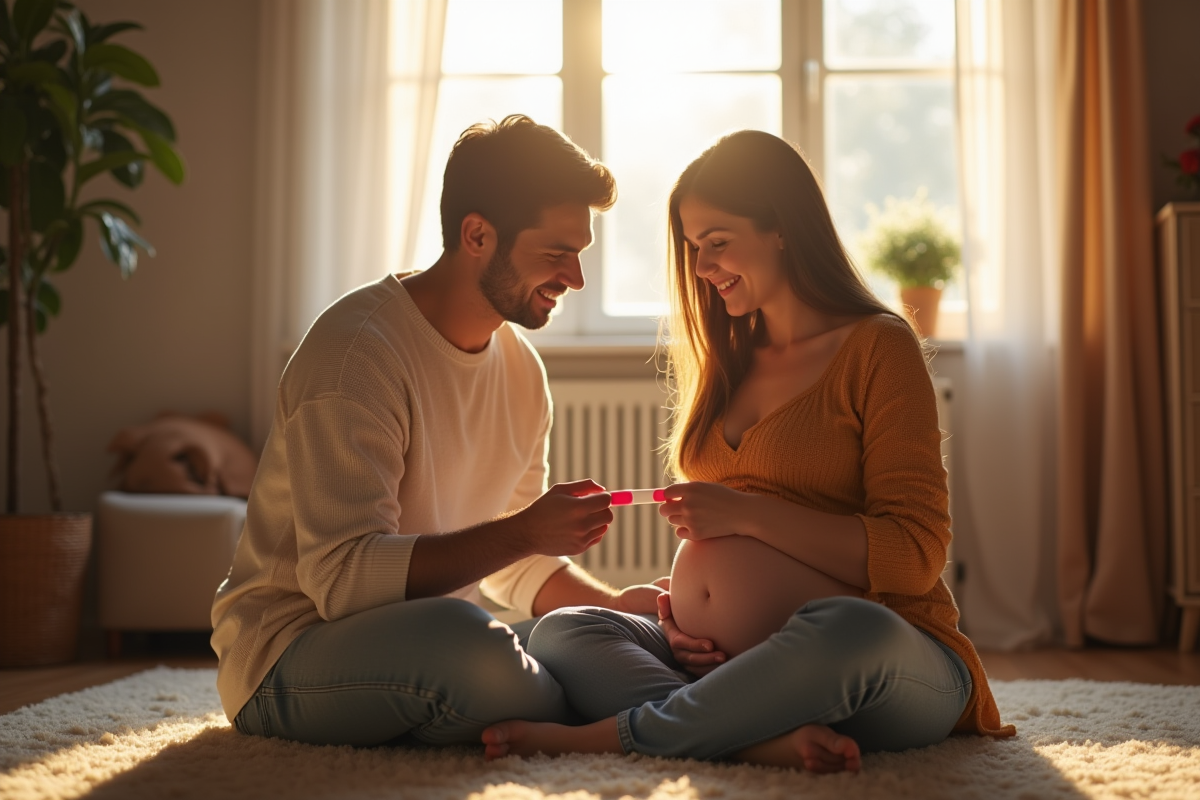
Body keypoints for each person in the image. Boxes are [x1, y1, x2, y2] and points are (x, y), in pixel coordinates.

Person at [480, 130, 1016, 771]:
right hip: (731, 664)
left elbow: (914, 557)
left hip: (888, 658)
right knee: (567, 629)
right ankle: (755, 738)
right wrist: (675, 616)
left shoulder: (878, 347)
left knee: (851, 630)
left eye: (718, 243)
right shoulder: (728, 356)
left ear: (782, 229)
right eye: (693, 248)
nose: (702, 268)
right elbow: (726, 563)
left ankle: (617, 735)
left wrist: (744, 515)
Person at [210, 115, 666, 748]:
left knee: (581, 631)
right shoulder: (356, 356)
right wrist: (524, 529)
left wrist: (617, 611)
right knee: (471, 645)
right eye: (557, 253)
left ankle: (601, 697)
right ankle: (609, 715)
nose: (576, 278)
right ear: (477, 234)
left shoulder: (522, 372)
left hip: (428, 634)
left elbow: (517, 563)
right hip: (290, 653)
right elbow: (344, 581)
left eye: (580, 254)